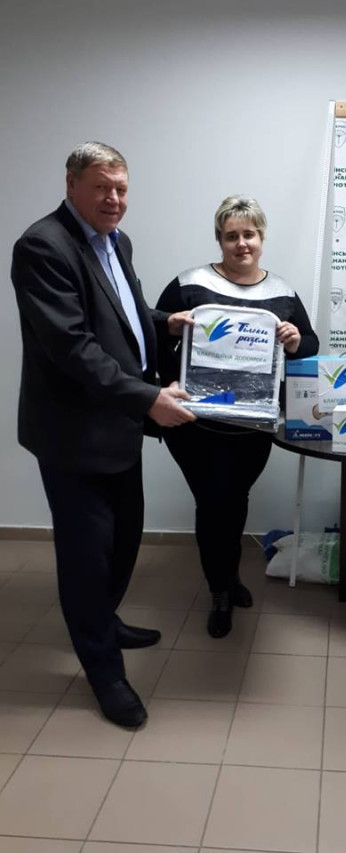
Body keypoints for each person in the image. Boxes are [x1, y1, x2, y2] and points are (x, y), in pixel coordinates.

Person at [11, 142, 196, 728]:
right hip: (73, 433)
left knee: (123, 540)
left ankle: (104, 621)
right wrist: (148, 398)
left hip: (118, 424)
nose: (114, 199)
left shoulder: (117, 241)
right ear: (71, 185)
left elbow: (122, 312)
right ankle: (104, 671)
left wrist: (165, 322)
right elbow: (73, 346)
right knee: (86, 556)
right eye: (101, 187)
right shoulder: (43, 246)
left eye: (121, 189)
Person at [156, 196, 319, 638]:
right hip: (195, 423)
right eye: (232, 236)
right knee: (213, 503)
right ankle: (219, 591)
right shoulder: (190, 284)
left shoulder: (282, 292)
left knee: (235, 499)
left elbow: (310, 344)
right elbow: (155, 330)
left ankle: (228, 576)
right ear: (220, 240)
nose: (241, 243)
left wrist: (294, 339)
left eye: (249, 234)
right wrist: (169, 382)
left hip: (252, 425)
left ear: (261, 238)